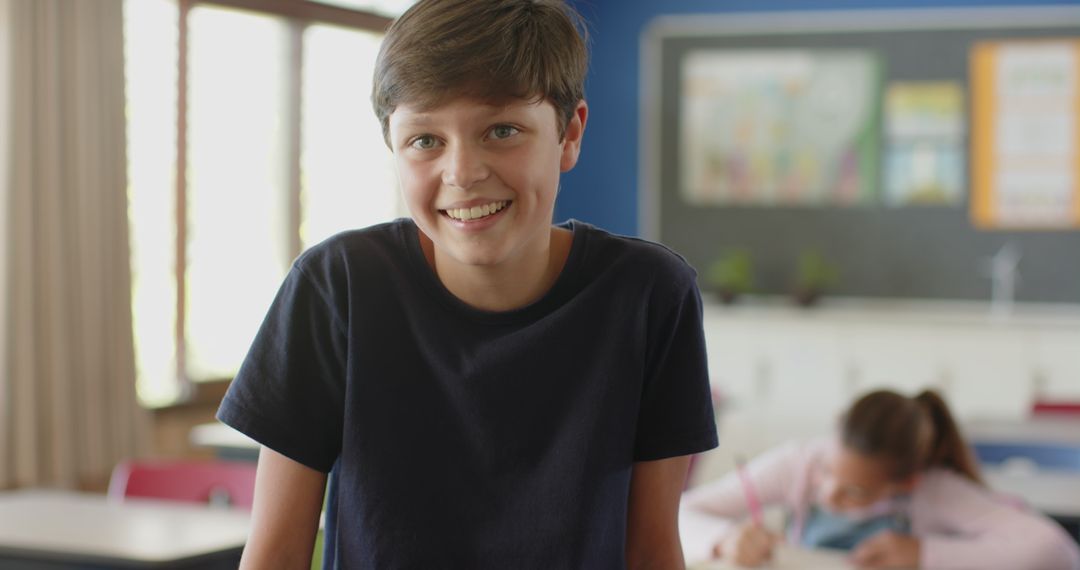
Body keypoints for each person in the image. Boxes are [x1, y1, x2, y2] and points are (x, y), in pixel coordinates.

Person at [216, 1, 718, 568]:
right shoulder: (339, 287)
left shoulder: (650, 295)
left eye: (502, 130)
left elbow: (652, 550)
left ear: (569, 134)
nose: (462, 172)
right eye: (425, 140)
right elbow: (275, 554)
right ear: (393, 147)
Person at [680, 389, 1080, 570]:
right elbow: (680, 511)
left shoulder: (933, 490)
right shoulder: (800, 462)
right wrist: (724, 539)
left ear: (904, 484)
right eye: (827, 472)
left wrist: (923, 555)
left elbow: (1057, 551)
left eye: (856, 491)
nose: (830, 493)